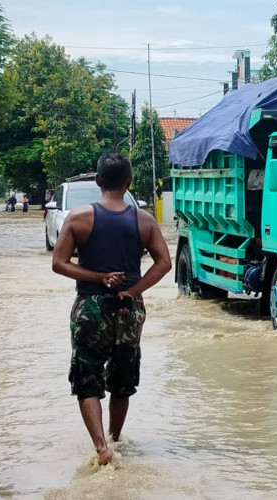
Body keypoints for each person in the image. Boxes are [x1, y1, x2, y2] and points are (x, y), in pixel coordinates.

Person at [51, 152, 171, 466]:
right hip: (129, 311)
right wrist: (132, 291)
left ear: (98, 181)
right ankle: (117, 439)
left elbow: (59, 264)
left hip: (90, 308)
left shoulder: (78, 218)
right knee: (122, 379)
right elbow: (164, 263)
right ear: (129, 181)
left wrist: (98, 277)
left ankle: (102, 447)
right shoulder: (144, 220)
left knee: (87, 380)